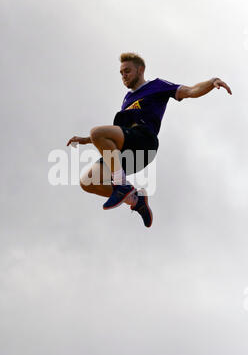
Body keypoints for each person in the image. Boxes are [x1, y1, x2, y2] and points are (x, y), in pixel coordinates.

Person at [67, 53, 232, 228]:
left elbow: (190, 90)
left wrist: (212, 82)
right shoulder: (127, 99)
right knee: (87, 182)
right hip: (126, 150)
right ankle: (135, 200)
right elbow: (111, 136)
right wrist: (87, 140)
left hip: (144, 142)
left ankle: (122, 184)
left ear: (140, 70)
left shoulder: (157, 86)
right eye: (121, 73)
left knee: (97, 132)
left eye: (127, 71)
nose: (124, 76)